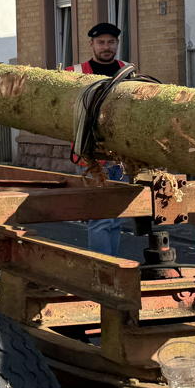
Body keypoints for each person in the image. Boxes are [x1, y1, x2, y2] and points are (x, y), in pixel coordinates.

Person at [66, 23, 130, 256]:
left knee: (116, 219)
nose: (106, 47)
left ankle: (112, 265)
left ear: (117, 44)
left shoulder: (128, 72)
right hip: (91, 158)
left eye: (111, 42)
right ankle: (104, 268)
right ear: (91, 44)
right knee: (101, 219)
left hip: (121, 158)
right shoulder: (75, 73)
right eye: (101, 42)